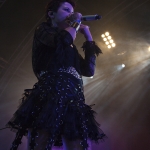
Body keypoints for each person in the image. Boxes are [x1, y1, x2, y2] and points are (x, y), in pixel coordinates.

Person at [6, 0, 106, 149]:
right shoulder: (43, 30)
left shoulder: (70, 48)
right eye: (66, 10)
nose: (71, 14)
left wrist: (88, 37)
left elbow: (89, 71)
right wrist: (76, 21)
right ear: (51, 14)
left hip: (74, 99)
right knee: (40, 143)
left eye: (72, 12)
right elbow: (63, 40)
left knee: (80, 144)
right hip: (50, 93)